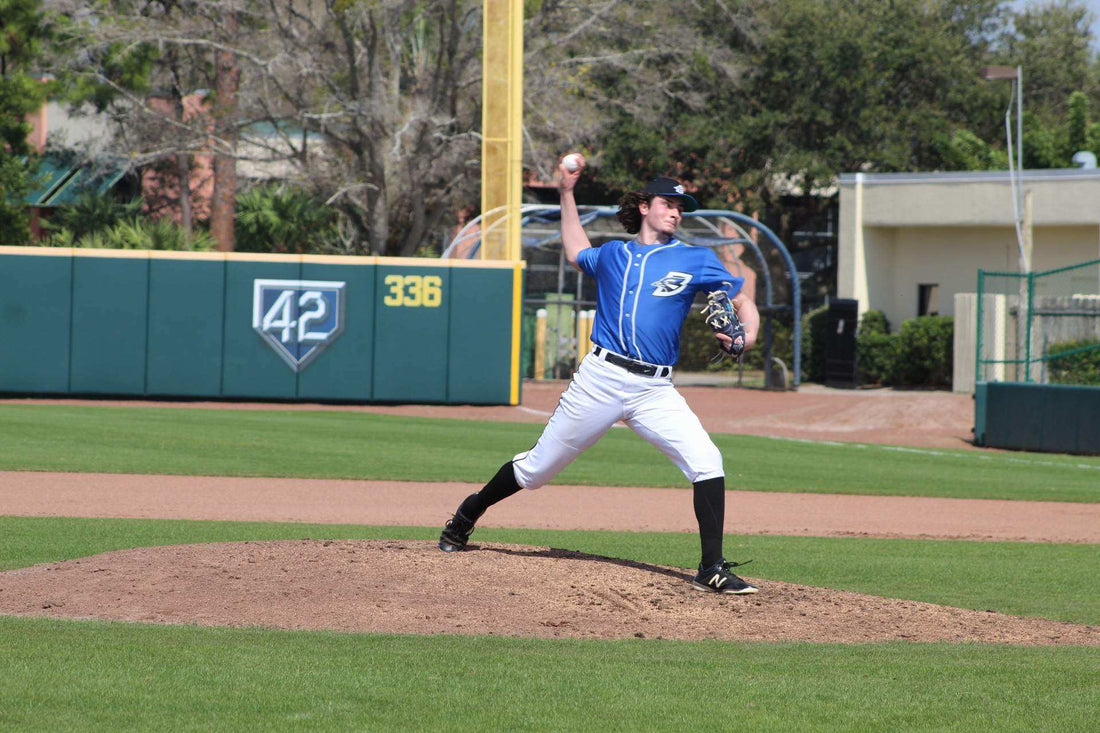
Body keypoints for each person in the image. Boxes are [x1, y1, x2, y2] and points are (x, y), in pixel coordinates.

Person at [438, 153, 761, 595]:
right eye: (669, 202)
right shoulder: (613, 254)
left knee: (707, 462)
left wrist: (747, 338)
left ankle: (711, 568)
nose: (676, 211)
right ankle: (467, 514)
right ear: (645, 206)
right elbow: (575, 250)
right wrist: (567, 192)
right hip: (600, 380)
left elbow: (742, 301)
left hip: (655, 388)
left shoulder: (695, 259)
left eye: (681, 207)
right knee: (535, 471)